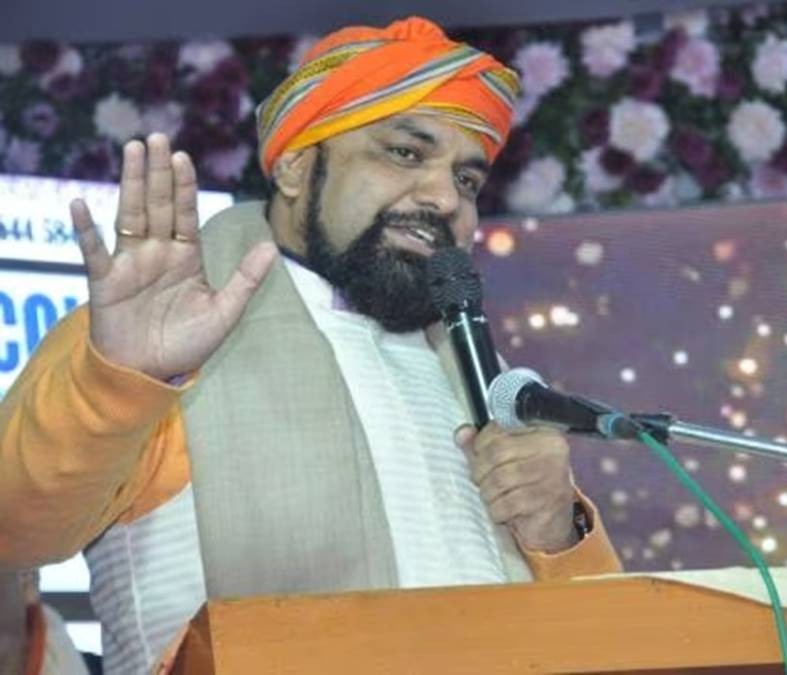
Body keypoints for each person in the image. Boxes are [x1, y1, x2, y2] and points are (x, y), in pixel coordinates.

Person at [0, 17, 621, 674]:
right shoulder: (158, 334)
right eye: (405, 153)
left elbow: (615, 637)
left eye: (467, 180)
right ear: (296, 165)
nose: (445, 198)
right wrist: (117, 382)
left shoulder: (479, 373)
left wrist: (559, 533)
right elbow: (14, 532)